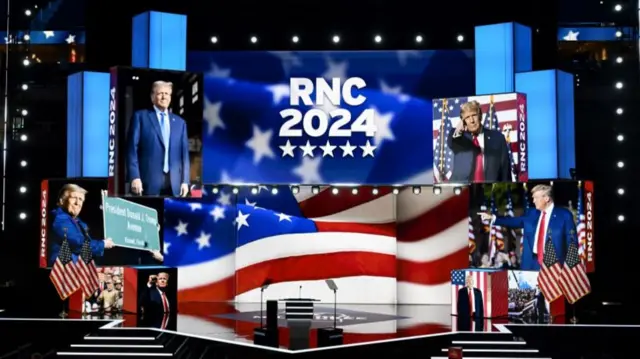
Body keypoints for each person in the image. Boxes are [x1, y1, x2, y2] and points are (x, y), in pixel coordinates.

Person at [478, 184, 577, 271]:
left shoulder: (564, 215)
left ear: (546, 198)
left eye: (536, 198)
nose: (533, 201)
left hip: (554, 266)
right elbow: (515, 221)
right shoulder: (532, 213)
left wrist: (570, 269)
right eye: (533, 198)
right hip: (531, 264)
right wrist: (493, 218)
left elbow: (572, 243)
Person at [126, 81, 190, 197]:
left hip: (174, 185)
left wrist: (185, 181)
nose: (164, 96)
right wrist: (135, 176)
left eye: (167, 93)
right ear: (152, 97)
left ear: (170, 97)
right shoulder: (140, 117)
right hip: (147, 183)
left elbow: (184, 155)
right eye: (160, 93)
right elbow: (132, 149)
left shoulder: (180, 123)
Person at [48, 184, 114, 267]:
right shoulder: (60, 219)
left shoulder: (79, 222)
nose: (77, 203)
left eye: (80, 199)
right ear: (62, 201)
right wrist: (103, 244)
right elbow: (78, 244)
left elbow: (88, 246)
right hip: (65, 272)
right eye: (74, 198)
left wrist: (108, 208)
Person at [447, 101, 512, 182]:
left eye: (474, 115)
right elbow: (451, 142)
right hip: (462, 189)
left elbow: (505, 170)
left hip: (489, 188)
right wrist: (459, 128)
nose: (471, 120)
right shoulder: (458, 137)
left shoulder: (498, 138)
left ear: (480, 116)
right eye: (467, 117)